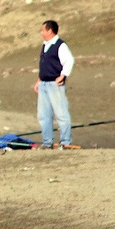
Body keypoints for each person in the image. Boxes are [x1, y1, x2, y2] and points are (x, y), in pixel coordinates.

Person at [33, 20, 77, 149]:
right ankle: (47, 141)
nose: (41, 33)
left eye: (43, 30)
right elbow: (44, 66)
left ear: (50, 30)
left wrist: (63, 75)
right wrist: (38, 81)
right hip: (44, 84)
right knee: (43, 114)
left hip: (54, 84)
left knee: (61, 113)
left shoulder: (60, 45)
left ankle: (65, 141)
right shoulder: (45, 45)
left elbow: (69, 60)